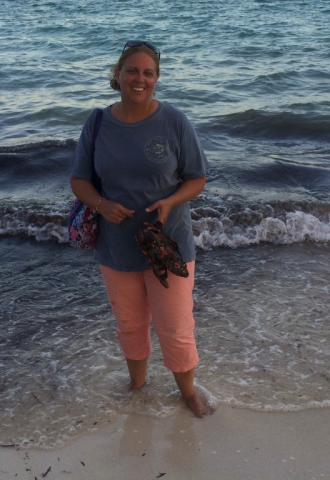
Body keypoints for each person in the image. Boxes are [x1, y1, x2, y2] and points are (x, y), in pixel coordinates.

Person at [69, 40, 212, 418]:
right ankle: (136, 385)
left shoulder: (174, 121)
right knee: (130, 324)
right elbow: (79, 181)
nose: (139, 79)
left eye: (148, 73)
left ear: (157, 79)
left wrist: (170, 201)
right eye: (132, 70)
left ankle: (188, 392)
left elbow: (197, 179)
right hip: (116, 248)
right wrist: (100, 204)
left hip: (168, 245)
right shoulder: (97, 122)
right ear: (117, 74)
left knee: (176, 326)